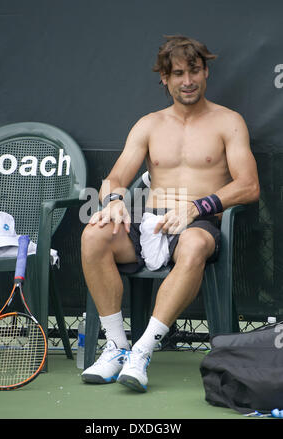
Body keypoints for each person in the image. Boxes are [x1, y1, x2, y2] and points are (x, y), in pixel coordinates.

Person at [80, 35, 260, 392]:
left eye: (194, 71)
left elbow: (249, 186)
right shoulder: (148, 124)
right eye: (178, 73)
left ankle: (143, 350)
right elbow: (115, 177)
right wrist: (114, 199)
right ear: (165, 78)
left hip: (199, 221)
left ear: (206, 72)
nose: (187, 80)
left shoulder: (229, 122)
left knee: (192, 246)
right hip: (149, 219)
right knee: (94, 233)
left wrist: (196, 207)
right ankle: (116, 346)